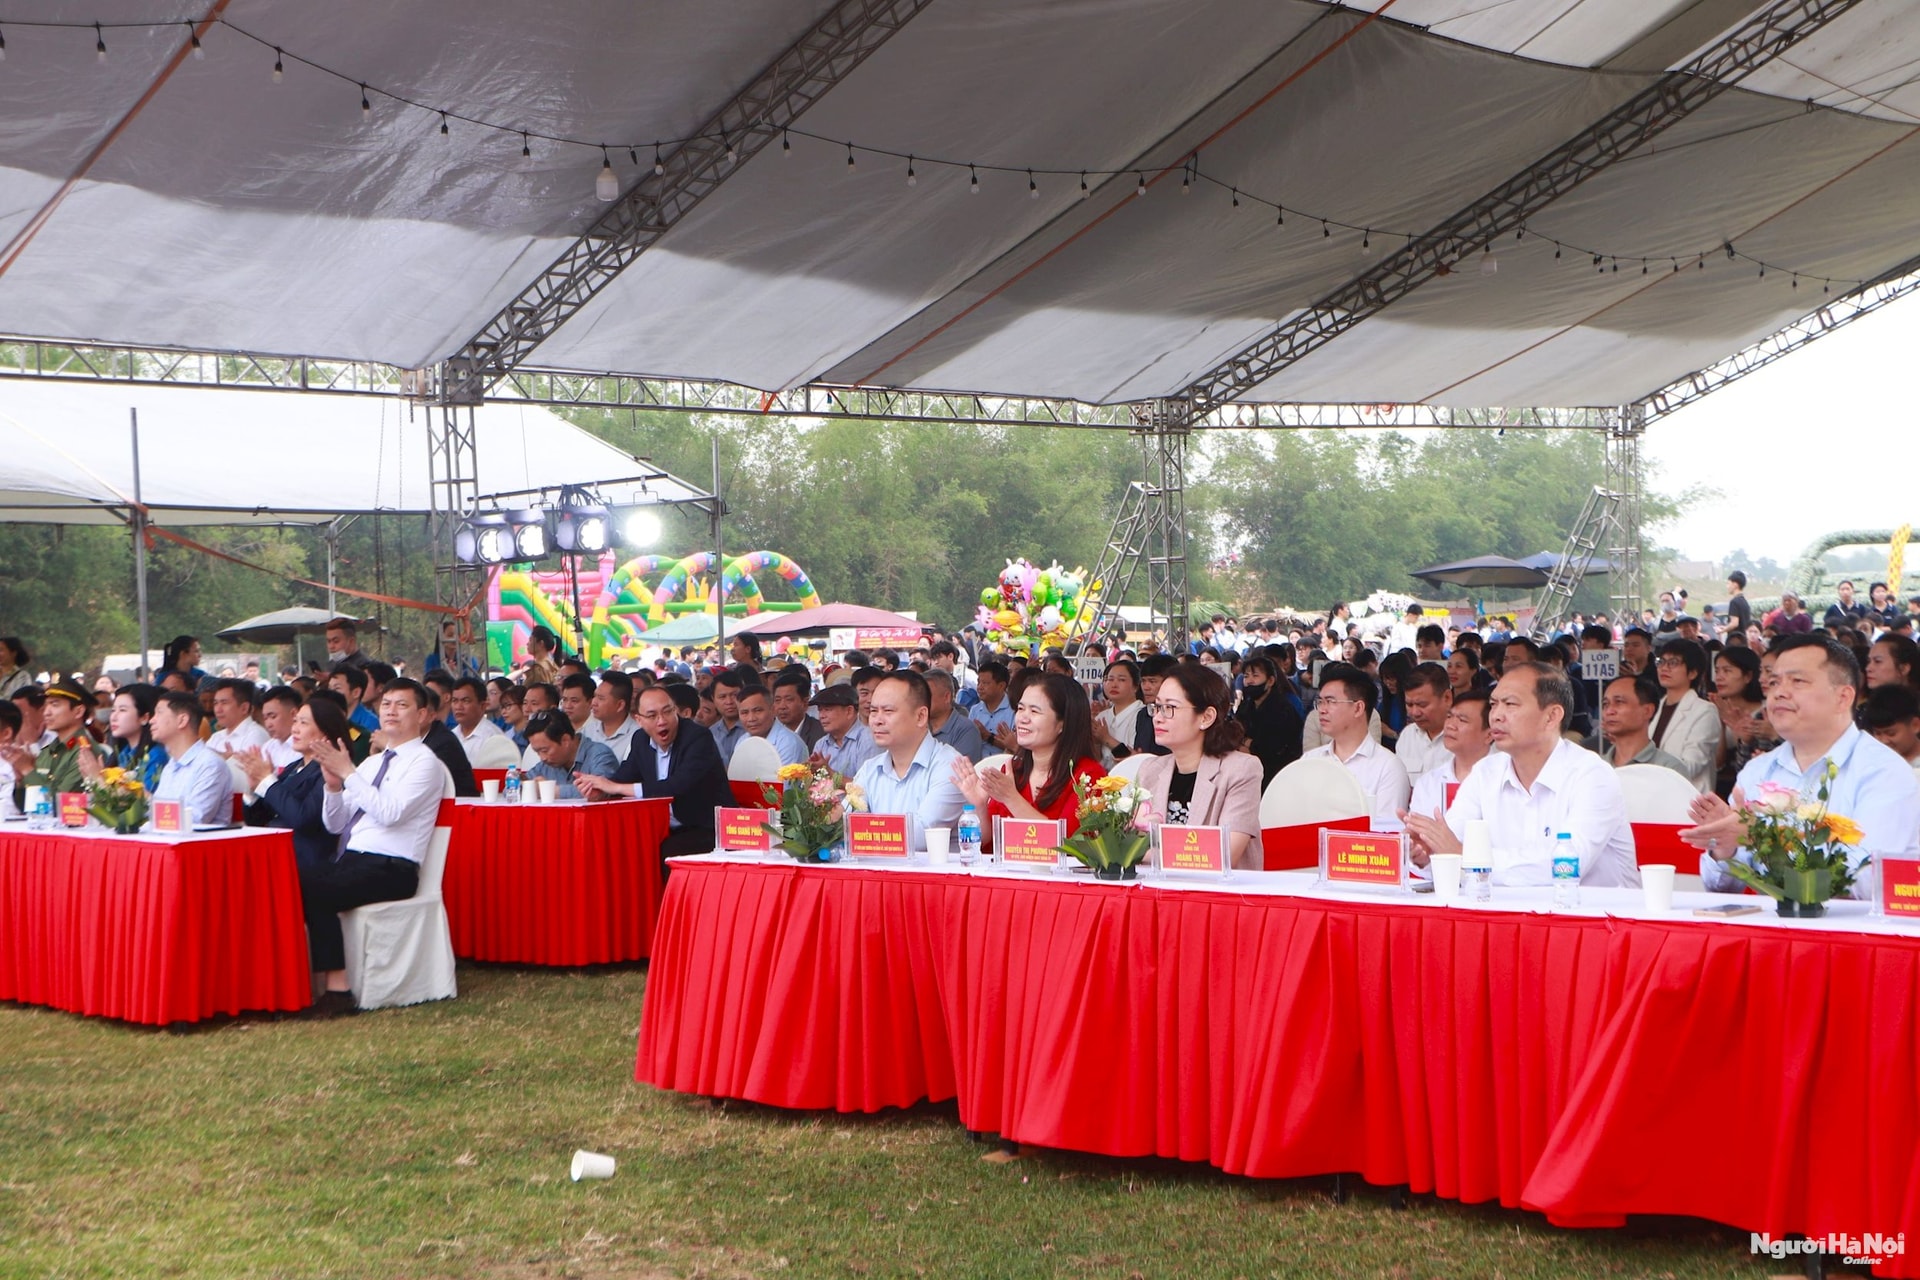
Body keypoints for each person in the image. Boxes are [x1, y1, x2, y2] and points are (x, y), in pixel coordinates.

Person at [1687, 635, 1920, 896]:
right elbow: (1720, 887)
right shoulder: (1757, 771)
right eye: (1774, 682)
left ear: (1843, 697)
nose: (1779, 692)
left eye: (1797, 681)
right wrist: (1725, 846)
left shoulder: (1883, 772)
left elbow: (1867, 882)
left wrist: (1766, 839)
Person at [1401, 662, 1640, 887]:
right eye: (1494, 704)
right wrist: (1428, 851)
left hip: (1596, 914)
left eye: (1510, 704)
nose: (1496, 715)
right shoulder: (1485, 772)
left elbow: (1566, 866)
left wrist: (1466, 857)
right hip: (1512, 910)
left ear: (1551, 716)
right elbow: (1453, 844)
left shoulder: (1592, 775)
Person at [305, 679, 450, 1014]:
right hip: (353, 860)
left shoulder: (425, 763)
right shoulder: (371, 764)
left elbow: (390, 813)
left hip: (393, 868)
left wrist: (348, 773)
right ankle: (301, 983)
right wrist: (333, 787)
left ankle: (338, 991)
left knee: (314, 890)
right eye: (386, 704)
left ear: (422, 714)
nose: (391, 711)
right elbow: (336, 824)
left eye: (402, 705)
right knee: (289, 880)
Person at [952, 672, 1104, 844]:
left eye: (1034, 711)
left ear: (1063, 723)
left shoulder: (1088, 777)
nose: (1022, 718)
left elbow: (1069, 845)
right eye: (1020, 709)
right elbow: (988, 843)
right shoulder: (1013, 770)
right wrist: (979, 805)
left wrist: (1011, 798)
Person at [1134, 664, 1262, 869]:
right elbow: (1130, 840)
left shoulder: (1240, 769)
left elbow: (1225, 853)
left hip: (1214, 888)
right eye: (1157, 707)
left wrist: (1139, 854)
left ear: (1206, 717)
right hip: (1158, 886)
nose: (1157, 717)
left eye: (1169, 708)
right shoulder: (1150, 770)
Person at [578, 685, 730, 856]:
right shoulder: (640, 739)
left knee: (661, 850)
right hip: (661, 826)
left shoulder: (697, 737)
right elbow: (624, 777)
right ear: (639, 720)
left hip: (706, 828)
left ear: (676, 711)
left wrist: (615, 787)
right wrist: (601, 791)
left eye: (667, 712)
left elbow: (677, 785)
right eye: (652, 715)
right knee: (613, 843)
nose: (662, 721)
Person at [850, 671, 966, 854]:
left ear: (921, 716)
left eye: (888, 711)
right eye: (873, 711)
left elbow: (920, 836)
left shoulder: (950, 766)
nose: (877, 720)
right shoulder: (869, 769)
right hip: (876, 869)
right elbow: (846, 825)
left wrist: (864, 832)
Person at [235, 695, 347, 869]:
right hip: (274, 853)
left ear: (325, 731)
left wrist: (267, 780)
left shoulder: (331, 771)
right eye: (295, 722)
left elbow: (303, 819)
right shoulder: (293, 767)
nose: (295, 729)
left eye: (304, 723)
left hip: (304, 862)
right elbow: (257, 820)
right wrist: (254, 789)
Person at [1303, 663, 1409, 833]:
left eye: (1330, 702)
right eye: (1320, 702)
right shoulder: (1309, 761)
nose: (1322, 710)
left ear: (1358, 708)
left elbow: (1387, 837)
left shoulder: (1388, 767)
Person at [7, 677, 104, 806]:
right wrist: (20, 779)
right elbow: (25, 805)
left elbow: (60, 803)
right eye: (46, 706)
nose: (46, 713)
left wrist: (27, 769)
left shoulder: (84, 751)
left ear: (78, 711)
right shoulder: (49, 750)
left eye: (55, 705)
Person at [144, 690, 234, 825]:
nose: (151, 720)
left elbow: (195, 819)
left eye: (159, 713)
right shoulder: (171, 766)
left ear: (182, 720)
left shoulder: (210, 764)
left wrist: (146, 799)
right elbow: (159, 815)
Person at [1406, 688, 1494, 821]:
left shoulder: (1504, 780)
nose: (1450, 725)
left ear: (1489, 735)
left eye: (1462, 720)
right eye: (1449, 717)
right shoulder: (1428, 783)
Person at [1647, 638, 1717, 793]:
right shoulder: (1654, 707)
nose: (1664, 668)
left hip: (1686, 797)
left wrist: (1646, 766)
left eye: (1673, 663)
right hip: (1651, 792)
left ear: (1692, 673)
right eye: (1661, 661)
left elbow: (1691, 766)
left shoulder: (1704, 711)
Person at [1232, 655, 1303, 786]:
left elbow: (1275, 746)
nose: (1249, 681)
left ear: (1270, 681)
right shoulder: (1246, 705)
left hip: (1277, 775)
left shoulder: (1283, 708)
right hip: (1246, 773)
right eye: (1246, 676)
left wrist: (1249, 744)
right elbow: (1234, 732)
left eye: (1255, 676)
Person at [1597, 676, 1688, 775]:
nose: (1609, 711)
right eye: (1605, 704)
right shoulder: (1595, 767)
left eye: (1619, 702)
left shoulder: (1669, 769)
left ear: (1647, 711)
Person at [522, 710, 618, 799]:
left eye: (545, 750)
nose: (542, 758)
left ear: (565, 740)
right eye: (537, 752)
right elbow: (520, 786)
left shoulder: (600, 755)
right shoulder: (546, 765)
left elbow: (599, 790)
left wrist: (549, 791)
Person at [1393, 663, 1453, 787]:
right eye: (1409, 705)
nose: (1415, 713)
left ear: (1447, 698)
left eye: (1422, 705)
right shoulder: (1407, 736)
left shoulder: (1467, 737)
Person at [104, 683, 169, 793]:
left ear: (144, 718)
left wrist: (97, 778)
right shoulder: (121, 754)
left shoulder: (155, 756)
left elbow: (143, 801)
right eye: (113, 710)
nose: (114, 717)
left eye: (122, 710)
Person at [809, 684, 878, 776]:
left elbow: (866, 783)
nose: (821, 716)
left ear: (849, 711)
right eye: (820, 710)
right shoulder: (821, 744)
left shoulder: (868, 739)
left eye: (827, 710)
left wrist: (829, 773)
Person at [1091, 659, 1147, 768]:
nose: (1114, 684)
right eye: (1110, 679)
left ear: (1136, 686)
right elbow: (1096, 760)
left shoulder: (1142, 716)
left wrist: (1106, 738)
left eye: (1121, 680)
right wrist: (1096, 742)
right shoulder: (1102, 716)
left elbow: (1135, 757)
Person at [924, 670, 987, 763]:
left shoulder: (966, 730)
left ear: (946, 697)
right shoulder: (917, 726)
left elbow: (960, 770)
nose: (920, 700)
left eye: (926, 696)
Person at [737, 684, 808, 766]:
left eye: (758, 710)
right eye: (744, 713)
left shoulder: (789, 743)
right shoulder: (742, 741)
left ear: (773, 710)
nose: (751, 718)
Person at [1863, 685, 1920, 779]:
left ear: (1915, 725)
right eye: (1878, 733)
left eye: (1891, 734)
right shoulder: (1869, 765)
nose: (1884, 741)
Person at [581, 670, 638, 763]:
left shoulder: (636, 736)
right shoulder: (589, 729)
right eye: (594, 696)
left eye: (601, 698)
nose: (594, 702)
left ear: (620, 705)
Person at [206, 678, 269, 759]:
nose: (218, 710)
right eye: (215, 703)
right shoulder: (216, 737)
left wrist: (227, 761)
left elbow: (252, 766)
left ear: (244, 708)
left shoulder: (256, 735)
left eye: (224, 703)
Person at [770, 668, 825, 750]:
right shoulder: (770, 732)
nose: (782, 706)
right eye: (777, 700)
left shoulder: (820, 734)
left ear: (805, 703)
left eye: (789, 700)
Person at [967, 661, 1016, 750]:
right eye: (978, 682)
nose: (979, 687)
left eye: (985, 683)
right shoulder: (975, 710)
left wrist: (988, 736)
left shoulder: (1014, 710)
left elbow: (1016, 748)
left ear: (1001, 686)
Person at [708, 669, 749, 766]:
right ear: (713, 699)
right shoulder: (710, 733)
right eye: (722, 697)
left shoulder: (754, 728)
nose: (729, 702)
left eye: (734, 695)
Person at [329, 664, 380, 736]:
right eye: (329, 689)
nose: (330, 693)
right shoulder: (329, 718)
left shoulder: (370, 722)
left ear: (356, 693)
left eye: (337, 688)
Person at [1724, 570, 1752, 635]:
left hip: (1735, 638)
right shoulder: (1744, 602)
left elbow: (1734, 623)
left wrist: (1722, 630)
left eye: (1728, 584)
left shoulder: (1734, 602)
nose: (1727, 586)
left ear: (1735, 585)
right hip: (1744, 637)